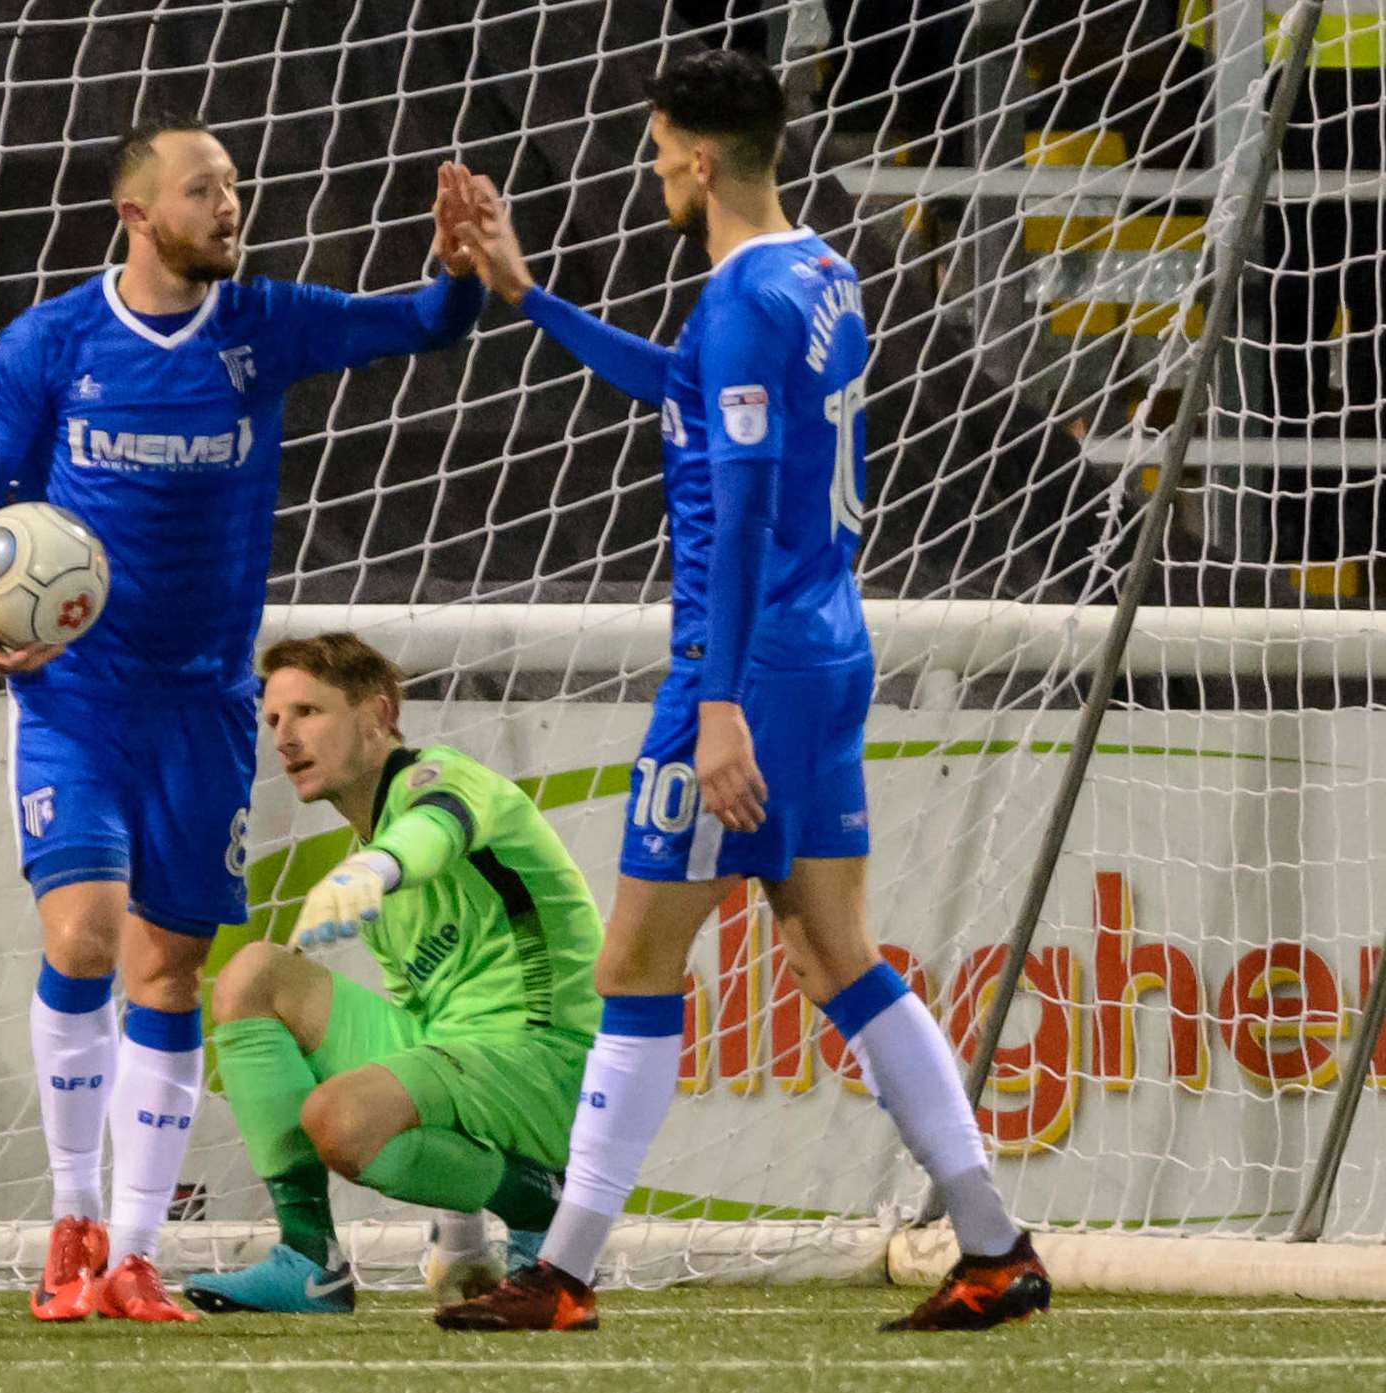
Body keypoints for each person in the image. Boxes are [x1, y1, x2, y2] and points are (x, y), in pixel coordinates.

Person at [431, 50, 1051, 1333]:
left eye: (659, 149)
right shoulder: (819, 271)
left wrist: (715, 704)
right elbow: (686, 395)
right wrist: (528, 294)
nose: (653, 167)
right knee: (837, 956)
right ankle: (993, 1243)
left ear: (699, 158)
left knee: (636, 963)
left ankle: (567, 1272)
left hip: (748, 663)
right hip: (826, 647)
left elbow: (751, 495)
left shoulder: (749, 304)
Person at [0, 116, 485, 1324]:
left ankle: (132, 1251)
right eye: (204, 190)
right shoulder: (54, 343)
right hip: (76, 698)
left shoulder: (262, 325)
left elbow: (424, 326)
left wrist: (453, 271)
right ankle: (73, 1217)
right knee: (83, 937)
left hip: (204, 706)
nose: (231, 206)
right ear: (138, 214)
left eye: (234, 187)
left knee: (171, 970)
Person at [181, 632, 603, 1315]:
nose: (284, 737)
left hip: (545, 1058)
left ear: (377, 716)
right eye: (274, 720)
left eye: (308, 712)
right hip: (464, 1055)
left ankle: (538, 1201)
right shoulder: (368, 843)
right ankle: (309, 1259)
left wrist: (377, 868)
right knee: (252, 974)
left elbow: (436, 830)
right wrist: (462, 1238)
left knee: (339, 1119)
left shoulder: (439, 781)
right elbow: (424, 1025)